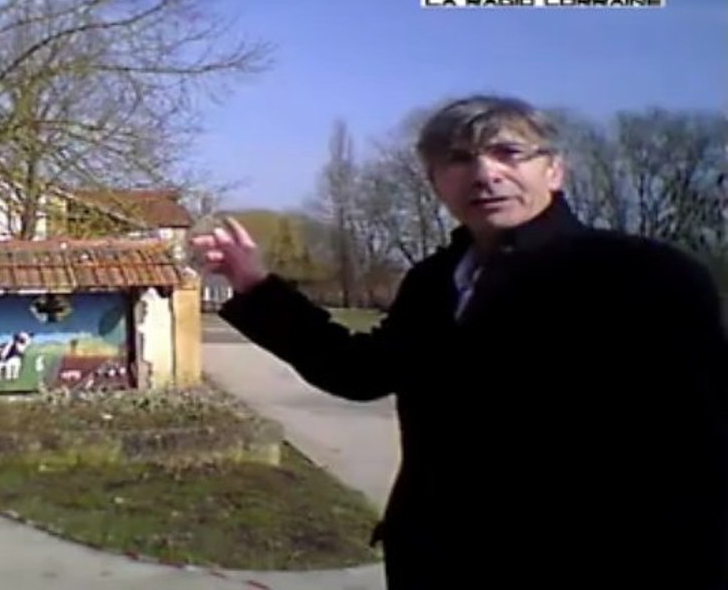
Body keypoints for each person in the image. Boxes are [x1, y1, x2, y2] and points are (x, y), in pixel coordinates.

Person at [191, 95, 728, 589]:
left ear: (554, 169)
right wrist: (257, 286)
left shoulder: (643, 276)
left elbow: (698, 457)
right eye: (460, 159)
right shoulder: (434, 281)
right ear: (436, 182)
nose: (486, 173)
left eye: (508, 153)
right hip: (436, 561)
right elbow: (360, 372)